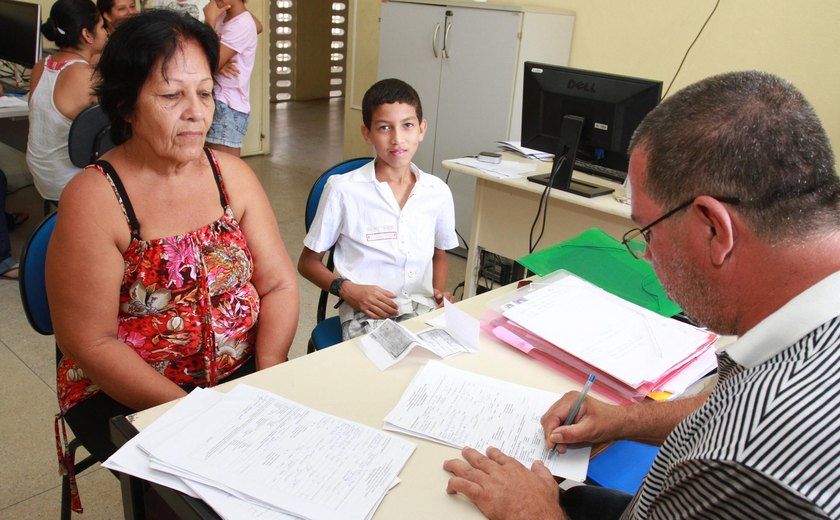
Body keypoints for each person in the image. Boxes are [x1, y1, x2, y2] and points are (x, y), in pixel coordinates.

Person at [443, 70, 840, 519]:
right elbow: (727, 403)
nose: (646, 254)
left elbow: (744, 426)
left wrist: (535, 514)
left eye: (648, 231)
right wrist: (623, 420)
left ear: (714, 228)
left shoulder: (746, 463)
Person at [46, 8, 299, 475]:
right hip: (126, 392)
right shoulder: (95, 199)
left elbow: (280, 284)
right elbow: (90, 341)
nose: (196, 112)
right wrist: (194, 413)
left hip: (240, 372)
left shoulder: (232, 176)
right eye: (170, 95)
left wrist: (269, 368)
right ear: (125, 104)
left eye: (205, 93)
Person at [298, 78, 458, 341]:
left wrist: (439, 292)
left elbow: (438, 253)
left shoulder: (437, 191)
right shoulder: (343, 190)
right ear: (367, 133)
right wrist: (348, 290)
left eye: (407, 125)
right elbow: (307, 263)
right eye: (384, 128)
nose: (397, 139)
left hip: (423, 307)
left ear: (421, 129)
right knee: (394, 369)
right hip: (367, 311)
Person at [26, 0, 107, 205]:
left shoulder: (41, 66)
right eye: (101, 27)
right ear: (87, 34)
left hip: (43, 176)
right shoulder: (86, 76)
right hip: (67, 181)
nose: (106, 32)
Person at [202, 0, 258, 157]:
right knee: (210, 168)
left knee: (224, 172)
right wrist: (218, 62)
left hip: (228, 107)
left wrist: (209, 21)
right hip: (218, 101)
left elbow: (208, 63)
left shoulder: (242, 24)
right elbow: (259, 27)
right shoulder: (224, 17)